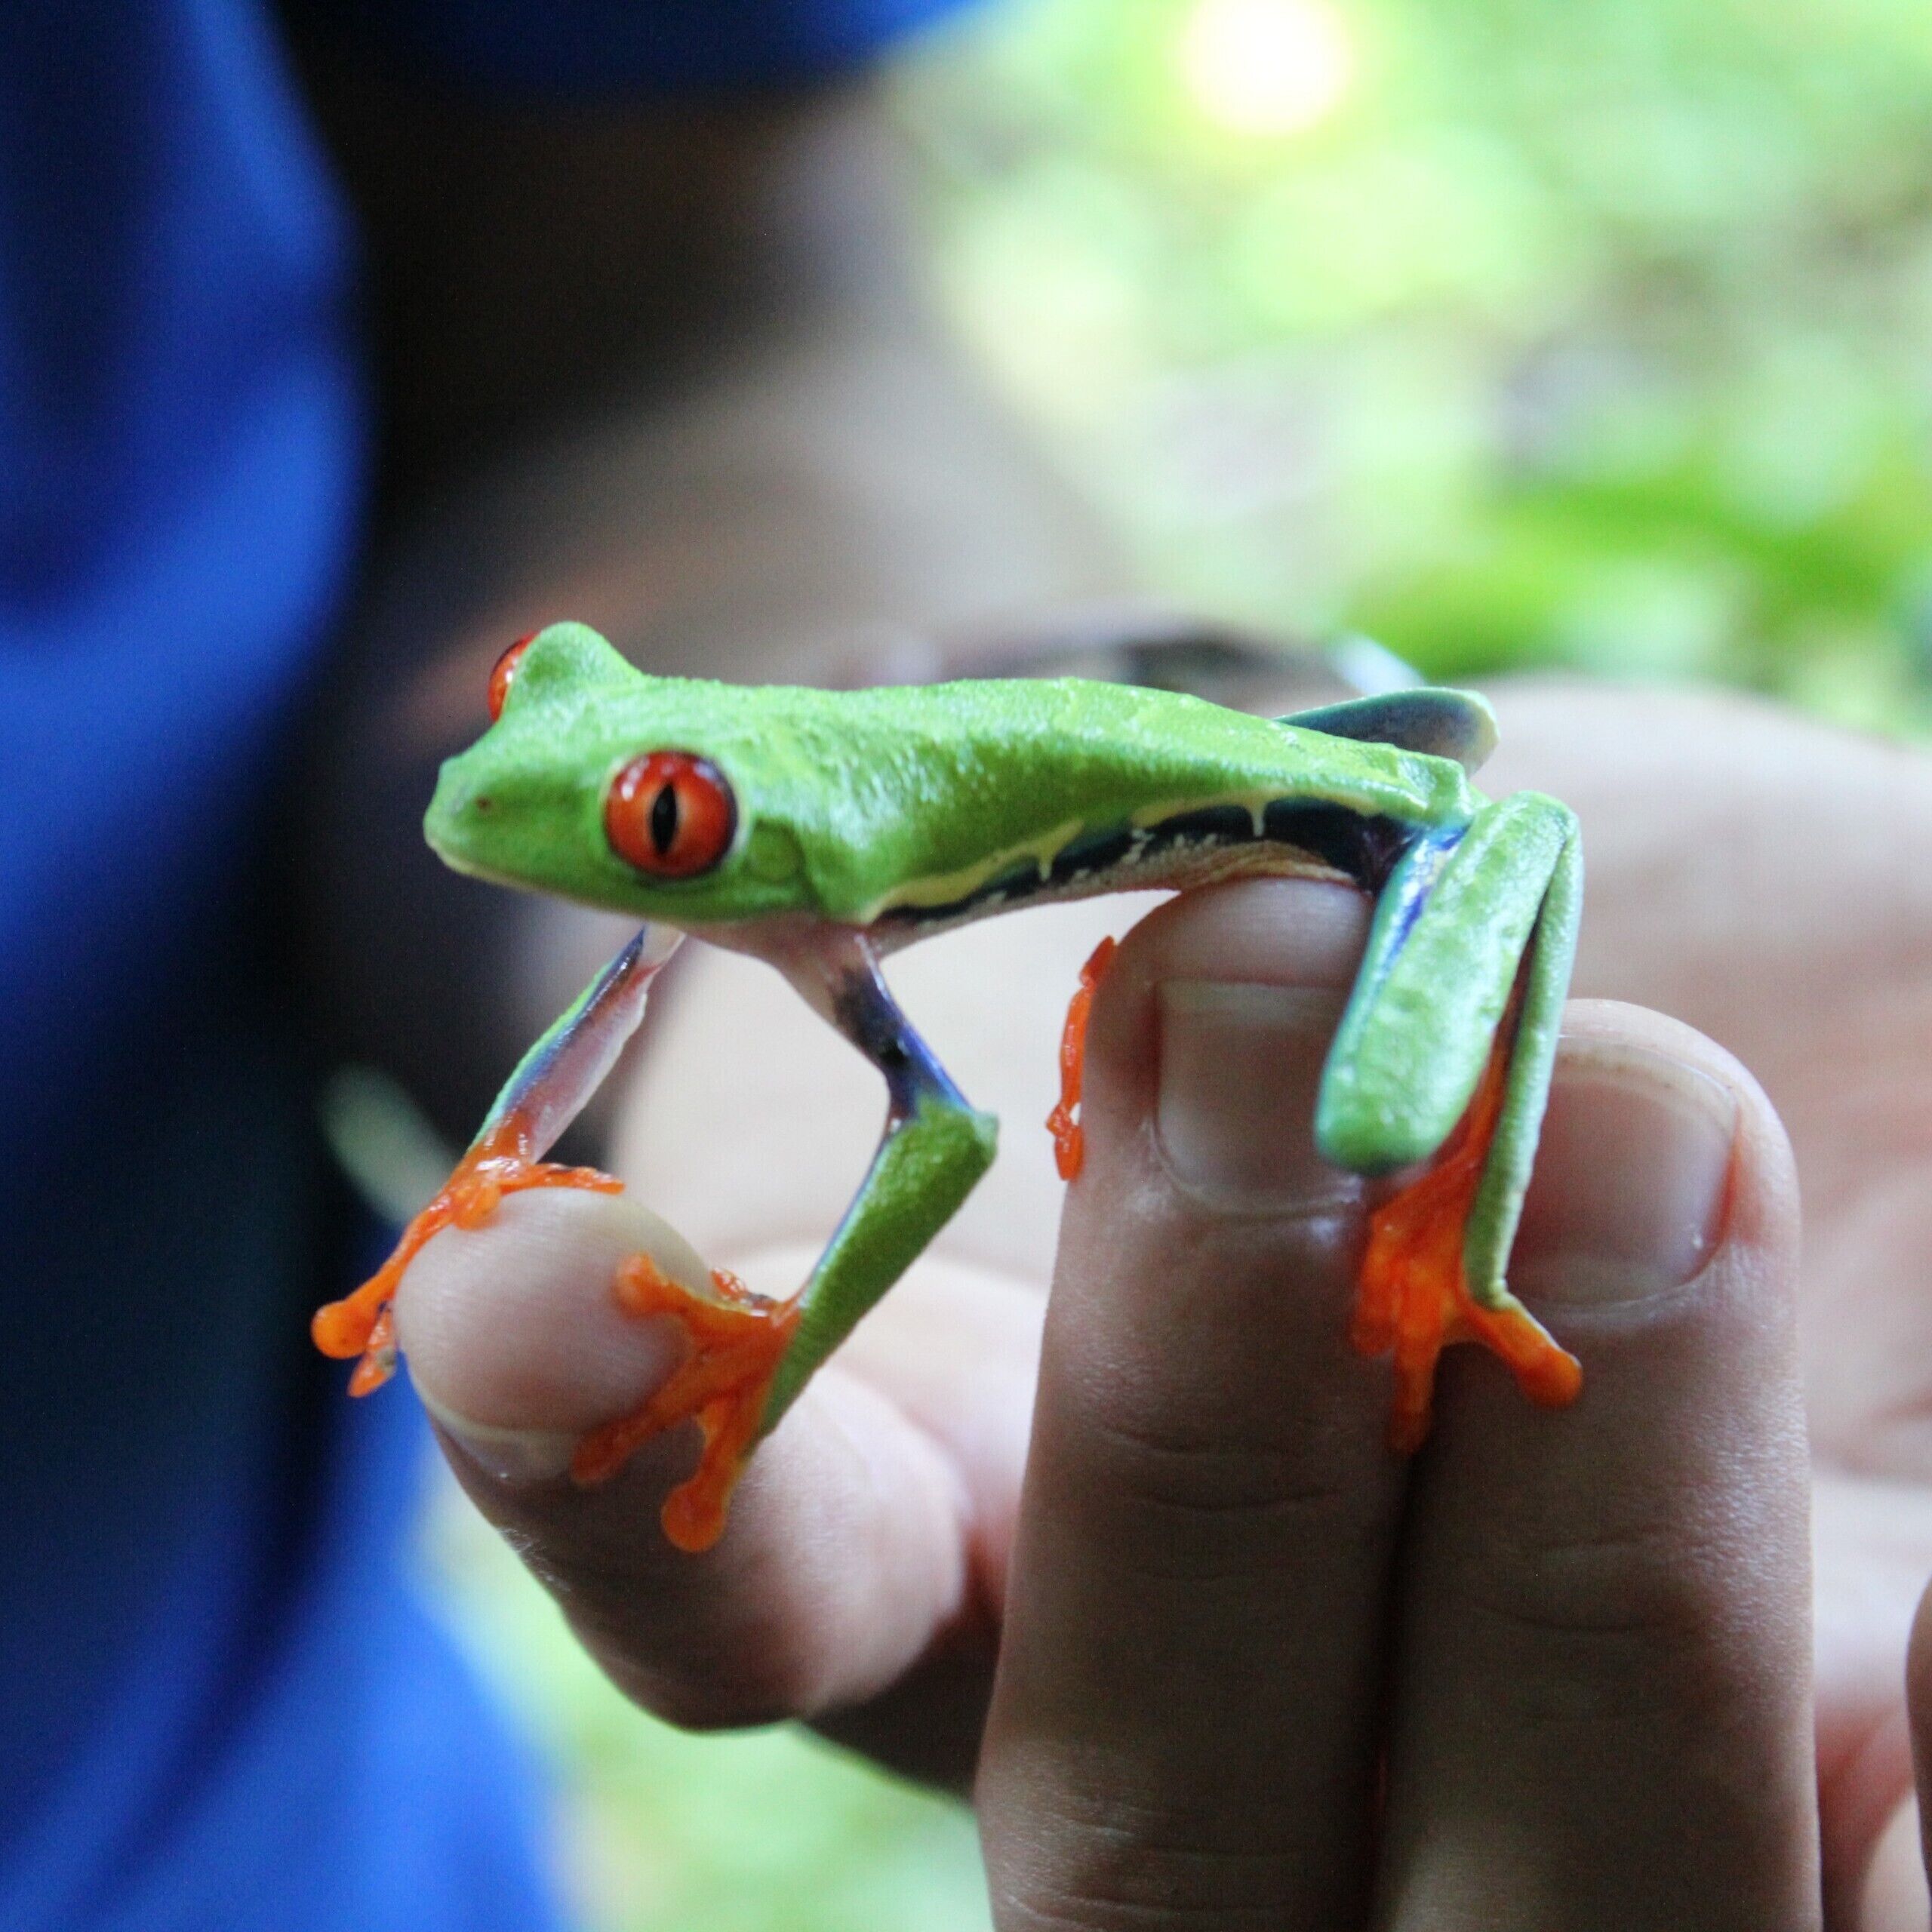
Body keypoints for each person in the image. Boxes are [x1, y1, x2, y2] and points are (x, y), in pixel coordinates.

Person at [15, 8, 1932, 1932]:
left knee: (1358, 1110)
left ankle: (1467, 1230)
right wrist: (513, 1186)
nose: (527, 782)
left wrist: (777, 1342)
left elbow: (938, 1130)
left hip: (1384, 830)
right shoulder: (721, 911)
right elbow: (630, 1007)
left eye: (663, 818)